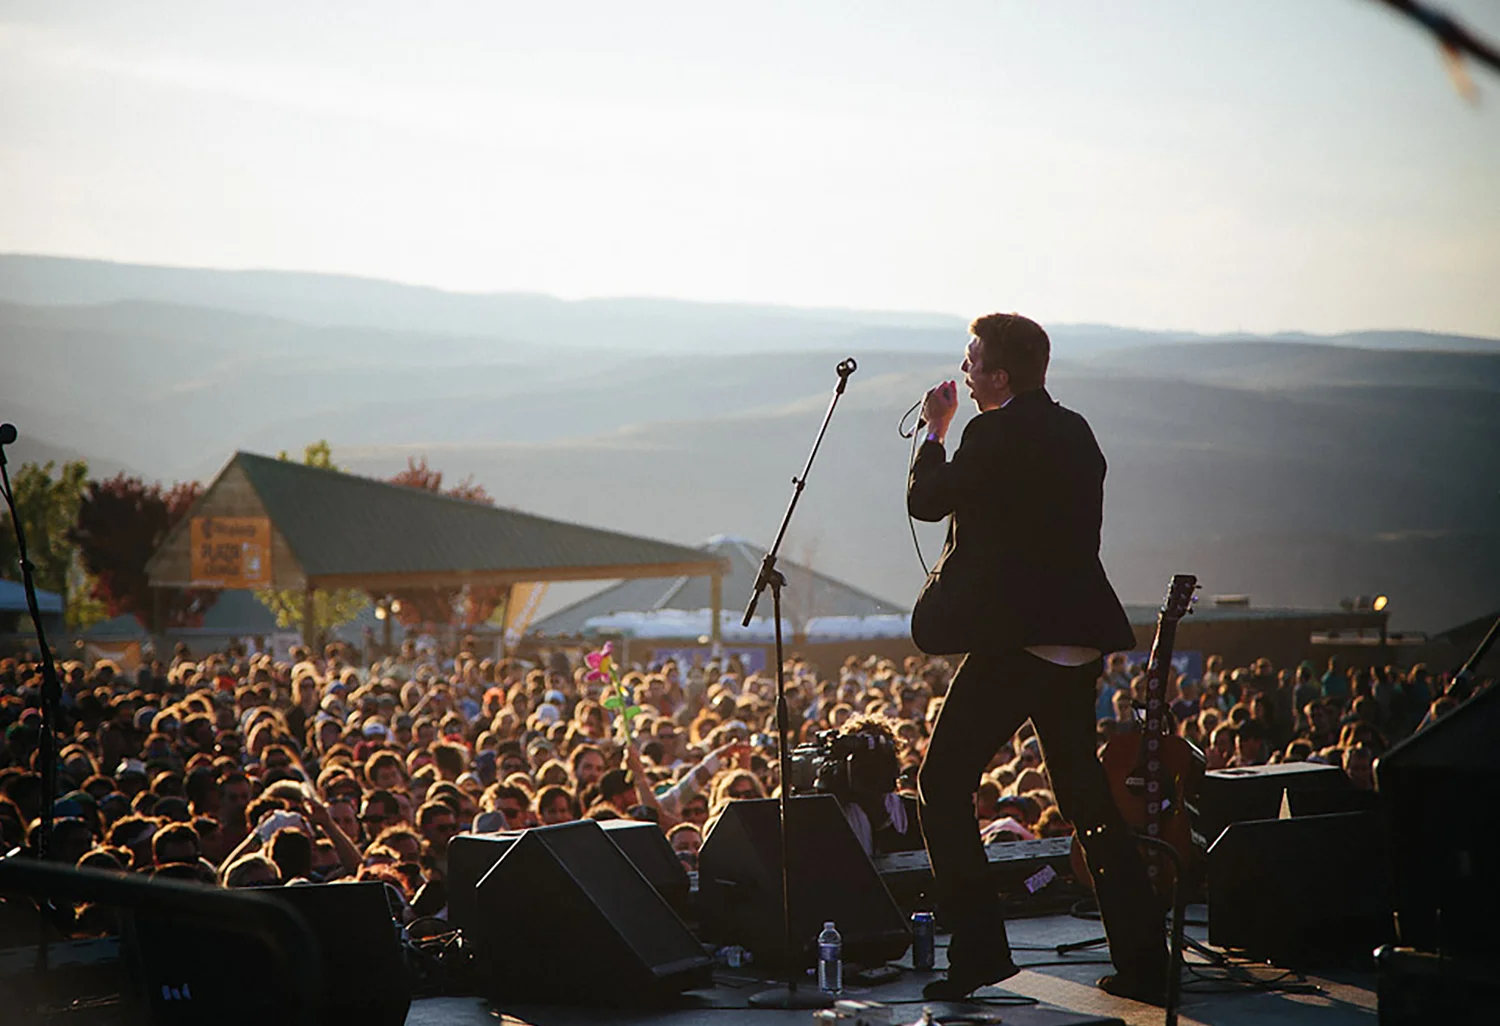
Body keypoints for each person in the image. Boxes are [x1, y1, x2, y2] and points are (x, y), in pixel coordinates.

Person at [907, 313, 1169, 1004]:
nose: (964, 367)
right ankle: (1145, 959)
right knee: (1088, 803)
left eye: (973, 358)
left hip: (1016, 641)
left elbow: (926, 501)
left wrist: (935, 431)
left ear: (999, 375)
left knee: (941, 781)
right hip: (1076, 640)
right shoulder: (1077, 431)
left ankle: (978, 952)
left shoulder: (990, 432)